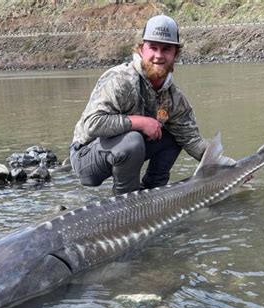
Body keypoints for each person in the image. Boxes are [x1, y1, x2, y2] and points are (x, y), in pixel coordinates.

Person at [70, 14, 233, 195]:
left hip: (125, 152)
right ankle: (126, 202)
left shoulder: (174, 98)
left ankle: (153, 192)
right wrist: (140, 122)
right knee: (132, 141)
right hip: (87, 158)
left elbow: (192, 141)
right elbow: (92, 124)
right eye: (153, 48)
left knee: (173, 136)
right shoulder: (120, 80)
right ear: (141, 50)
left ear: (175, 54)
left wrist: (231, 168)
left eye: (166, 49)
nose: (158, 56)